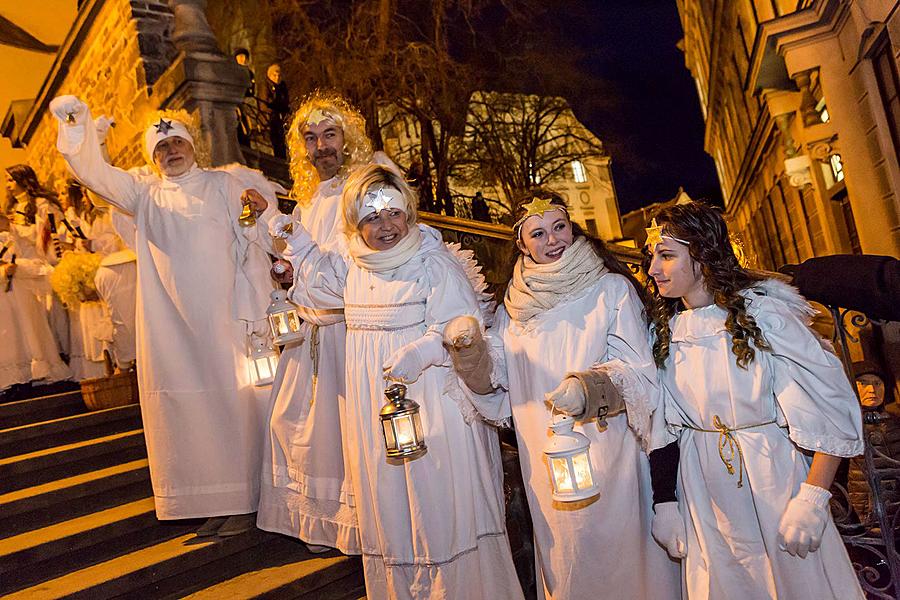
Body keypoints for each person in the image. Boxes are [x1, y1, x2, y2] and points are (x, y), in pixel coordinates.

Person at [267, 164, 523, 599]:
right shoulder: (354, 267)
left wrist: (420, 351)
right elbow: (316, 286)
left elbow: (461, 324)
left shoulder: (432, 263)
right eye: (372, 218)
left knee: (436, 497)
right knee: (389, 501)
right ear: (356, 223)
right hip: (376, 404)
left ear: (408, 212)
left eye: (394, 214)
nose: (386, 226)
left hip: (431, 399)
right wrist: (296, 244)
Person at [50, 94, 278, 537]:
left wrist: (257, 215)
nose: (171, 151)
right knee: (185, 408)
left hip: (224, 319)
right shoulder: (143, 192)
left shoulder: (222, 185)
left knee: (232, 404)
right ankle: (212, 499)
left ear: (193, 146)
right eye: (161, 148)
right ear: (152, 158)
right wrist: (78, 126)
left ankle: (246, 500)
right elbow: (94, 174)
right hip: (170, 325)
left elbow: (254, 236)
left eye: (177, 143)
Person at [444, 190, 680, 599]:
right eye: (538, 234)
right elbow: (496, 383)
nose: (552, 241)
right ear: (520, 243)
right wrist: (470, 354)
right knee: (569, 562)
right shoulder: (512, 307)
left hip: (609, 453)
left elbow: (640, 373)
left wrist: (589, 389)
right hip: (547, 462)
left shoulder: (609, 290)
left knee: (624, 561)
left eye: (559, 227)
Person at [644, 201, 865, 599]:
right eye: (652, 257)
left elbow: (827, 405)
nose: (653, 269)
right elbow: (662, 426)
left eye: (666, 255)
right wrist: (667, 502)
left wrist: (814, 497)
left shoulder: (763, 316)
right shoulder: (664, 331)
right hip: (702, 488)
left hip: (770, 475)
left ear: (703, 255)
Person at [256, 92, 378, 554]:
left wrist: (303, 260)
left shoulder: (361, 190)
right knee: (298, 427)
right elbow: (301, 261)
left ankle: (358, 526)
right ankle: (323, 523)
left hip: (347, 331)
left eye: (329, 135)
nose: (320, 146)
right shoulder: (307, 201)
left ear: (347, 140)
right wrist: (285, 273)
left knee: (345, 430)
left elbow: (351, 268)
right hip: (308, 332)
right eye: (311, 138)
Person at [847, 360, 900, 530]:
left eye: (877, 383)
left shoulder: (895, 421)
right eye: (863, 383)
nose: (872, 390)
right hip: (871, 517)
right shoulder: (846, 426)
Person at [261, 63, 290, 158]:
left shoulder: (282, 86)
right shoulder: (266, 85)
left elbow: (286, 101)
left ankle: (282, 157)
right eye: (274, 75)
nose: (277, 78)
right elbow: (263, 103)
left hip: (281, 116)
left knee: (282, 139)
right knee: (275, 138)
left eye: (279, 75)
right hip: (270, 117)